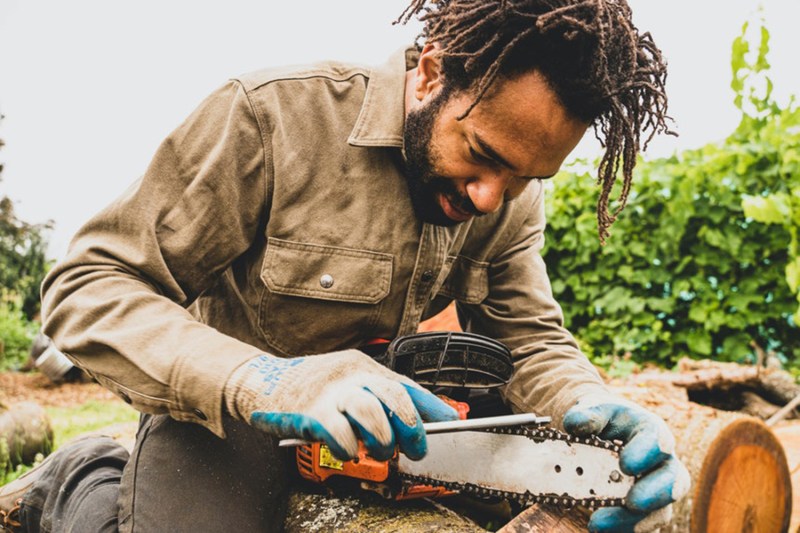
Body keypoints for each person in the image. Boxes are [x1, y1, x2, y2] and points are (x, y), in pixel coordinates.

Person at [0, 1, 690, 532]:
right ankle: (85, 477)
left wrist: (588, 404)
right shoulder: (271, 120)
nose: (490, 197)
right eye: (481, 154)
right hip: (229, 418)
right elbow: (87, 284)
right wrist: (269, 379)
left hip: (391, 427)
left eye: (522, 179)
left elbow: (531, 338)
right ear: (429, 73)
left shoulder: (509, 195)